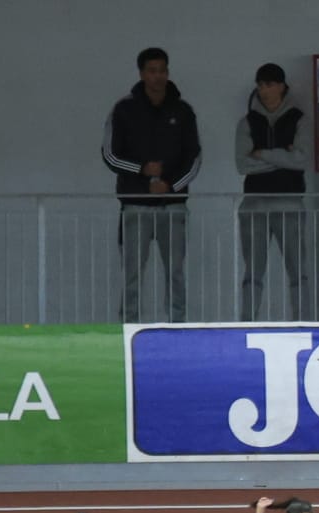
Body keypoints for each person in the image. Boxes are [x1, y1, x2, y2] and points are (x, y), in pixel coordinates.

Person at [102, 47, 201, 323]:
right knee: (132, 273)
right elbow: (110, 155)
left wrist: (170, 187)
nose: (157, 77)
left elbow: (194, 158)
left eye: (162, 70)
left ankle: (178, 326)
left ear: (168, 72)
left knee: (176, 272)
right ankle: (129, 328)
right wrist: (142, 171)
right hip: (135, 206)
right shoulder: (123, 110)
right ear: (142, 74)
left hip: (174, 207)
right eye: (151, 71)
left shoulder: (182, 111)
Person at [236, 62, 311, 321]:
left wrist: (263, 154)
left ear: (281, 86)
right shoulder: (247, 122)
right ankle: (247, 322)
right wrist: (283, 157)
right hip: (254, 203)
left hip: (290, 202)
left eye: (268, 84)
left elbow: (302, 160)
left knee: (298, 270)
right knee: (253, 271)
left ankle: (302, 322)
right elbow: (242, 164)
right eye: (260, 85)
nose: (263, 90)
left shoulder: (298, 119)